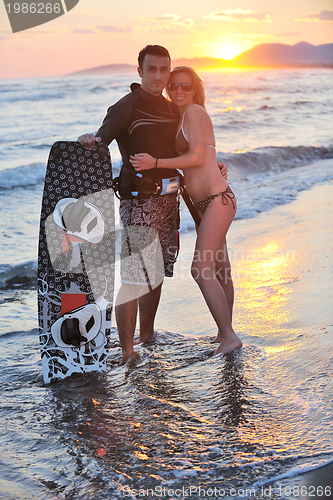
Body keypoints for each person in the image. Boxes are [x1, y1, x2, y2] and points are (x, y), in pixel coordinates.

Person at [130, 66, 242, 355]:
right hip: (204, 203)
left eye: (185, 86)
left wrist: (154, 163)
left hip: (218, 200)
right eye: (174, 86)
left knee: (200, 269)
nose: (179, 91)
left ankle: (229, 337)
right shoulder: (184, 115)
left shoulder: (193, 111)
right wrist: (216, 165)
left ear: (194, 89)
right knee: (221, 270)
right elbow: (207, 156)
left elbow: (196, 156)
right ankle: (224, 333)